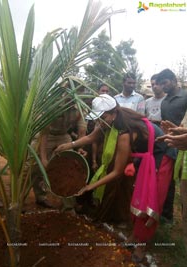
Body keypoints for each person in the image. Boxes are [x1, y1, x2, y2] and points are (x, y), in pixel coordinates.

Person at [54, 94, 176, 262]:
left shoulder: (124, 132)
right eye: (98, 118)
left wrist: (91, 186)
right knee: (138, 195)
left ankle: (142, 244)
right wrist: (69, 145)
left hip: (161, 155)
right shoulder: (110, 119)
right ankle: (135, 235)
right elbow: (92, 137)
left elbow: (117, 171)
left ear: (113, 113)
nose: (100, 122)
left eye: (102, 117)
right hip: (144, 155)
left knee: (151, 198)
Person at [35, 104, 87, 210]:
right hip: (47, 134)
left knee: (70, 165)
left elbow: (82, 132)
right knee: (35, 165)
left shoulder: (80, 107)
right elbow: (44, 133)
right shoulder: (53, 104)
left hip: (63, 135)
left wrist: (80, 148)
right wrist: (44, 158)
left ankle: (68, 205)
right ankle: (40, 196)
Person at [156, 68, 187, 224]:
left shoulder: (185, 96)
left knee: (183, 180)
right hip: (169, 145)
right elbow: (165, 124)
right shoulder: (164, 102)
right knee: (167, 181)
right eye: (160, 84)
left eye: (165, 82)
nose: (163, 86)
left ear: (174, 80)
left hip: (184, 146)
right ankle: (167, 215)